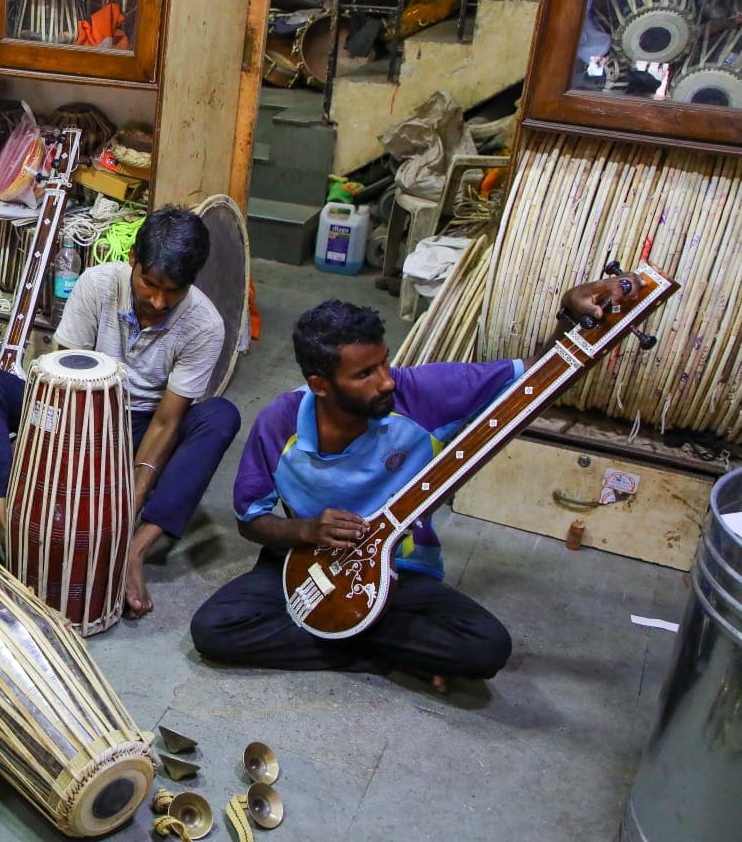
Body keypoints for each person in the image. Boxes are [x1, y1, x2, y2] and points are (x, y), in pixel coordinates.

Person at [190, 277, 630, 689]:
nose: (386, 382)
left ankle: (341, 639)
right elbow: (251, 519)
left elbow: (530, 379)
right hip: (307, 564)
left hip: (399, 573)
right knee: (214, 630)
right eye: (364, 375)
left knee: (486, 646)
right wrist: (305, 530)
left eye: (384, 363)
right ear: (319, 385)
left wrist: (569, 320)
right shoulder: (277, 424)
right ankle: (388, 657)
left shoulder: (420, 393)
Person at [0, 206, 242, 619]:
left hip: (145, 423)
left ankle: (135, 550)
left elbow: (168, 420)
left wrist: (123, 513)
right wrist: (59, 456)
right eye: (150, 284)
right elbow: (60, 377)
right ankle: (9, 519)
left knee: (220, 416)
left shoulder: (205, 324)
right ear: (133, 259)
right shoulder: (97, 285)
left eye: (174, 291)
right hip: (80, 406)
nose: (158, 300)